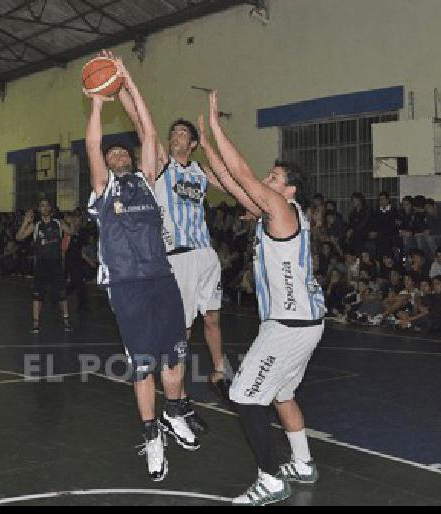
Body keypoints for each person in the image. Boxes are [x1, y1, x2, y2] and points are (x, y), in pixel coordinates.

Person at [202, 91, 326, 506]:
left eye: (274, 177)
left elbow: (241, 174)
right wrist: (205, 149)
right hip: (306, 323)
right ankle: (303, 463)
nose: (266, 181)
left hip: (288, 328)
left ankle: (270, 479)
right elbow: (231, 181)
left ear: (288, 190)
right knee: (281, 395)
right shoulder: (277, 211)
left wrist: (218, 128)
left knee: (244, 395)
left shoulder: (280, 207)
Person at [84, 54, 198, 482]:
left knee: (175, 355)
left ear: (131, 159)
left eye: (120, 151)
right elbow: (92, 146)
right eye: (110, 153)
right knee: (143, 362)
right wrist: (97, 103)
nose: (115, 154)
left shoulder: (148, 180)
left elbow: (149, 131)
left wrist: (128, 80)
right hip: (126, 283)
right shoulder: (102, 189)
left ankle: (173, 415)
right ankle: (152, 437)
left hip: (161, 277)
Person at [118, 60, 228, 424]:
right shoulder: (163, 164)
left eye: (183, 133)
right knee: (179, 332)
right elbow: (139, 124)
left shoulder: (200, 171)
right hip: (176, 257)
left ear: (193, 144)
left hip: (206, 254)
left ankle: (218, 372)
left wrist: (255, 208)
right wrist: (120, 89)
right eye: (174, 132)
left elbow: (232, 183)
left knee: (212, 318)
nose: (176, 135)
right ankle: (178, 403)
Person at [16, 199, 71, 333]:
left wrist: (70, 222)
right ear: (39, 209)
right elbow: (19, 237)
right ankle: (36, 324)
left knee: (61, 293)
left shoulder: (58, 223)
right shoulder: (36, 225)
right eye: (42, 206)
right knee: (37, 295)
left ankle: (66, 320)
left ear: (50, 208)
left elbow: (72, 231)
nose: (44, 208)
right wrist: (25, 221)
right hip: (41, 264)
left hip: (55, 263)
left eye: (47, 205)